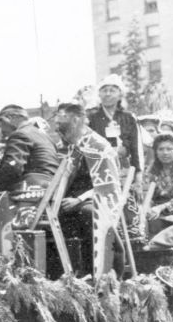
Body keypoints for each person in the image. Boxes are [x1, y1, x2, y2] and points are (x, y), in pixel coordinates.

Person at [54, 102, 123, 274]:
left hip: (96, 200)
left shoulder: (97, 145)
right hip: (69, 200)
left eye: (61, 120)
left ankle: (98, 273)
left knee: (89, 214)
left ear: (76, 120)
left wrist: (79, 200)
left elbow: (107, 186)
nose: (57, 125)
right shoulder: (72, 145)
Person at [87, 74, 143, 177]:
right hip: (100, 171)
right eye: (104, 90)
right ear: (99, 94)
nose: (107, 94)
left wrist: (138, 174)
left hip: (125, 170)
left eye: (112, 90)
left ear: (120, 95)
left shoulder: (129, 118)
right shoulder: (92, 118)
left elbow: (136, 148)